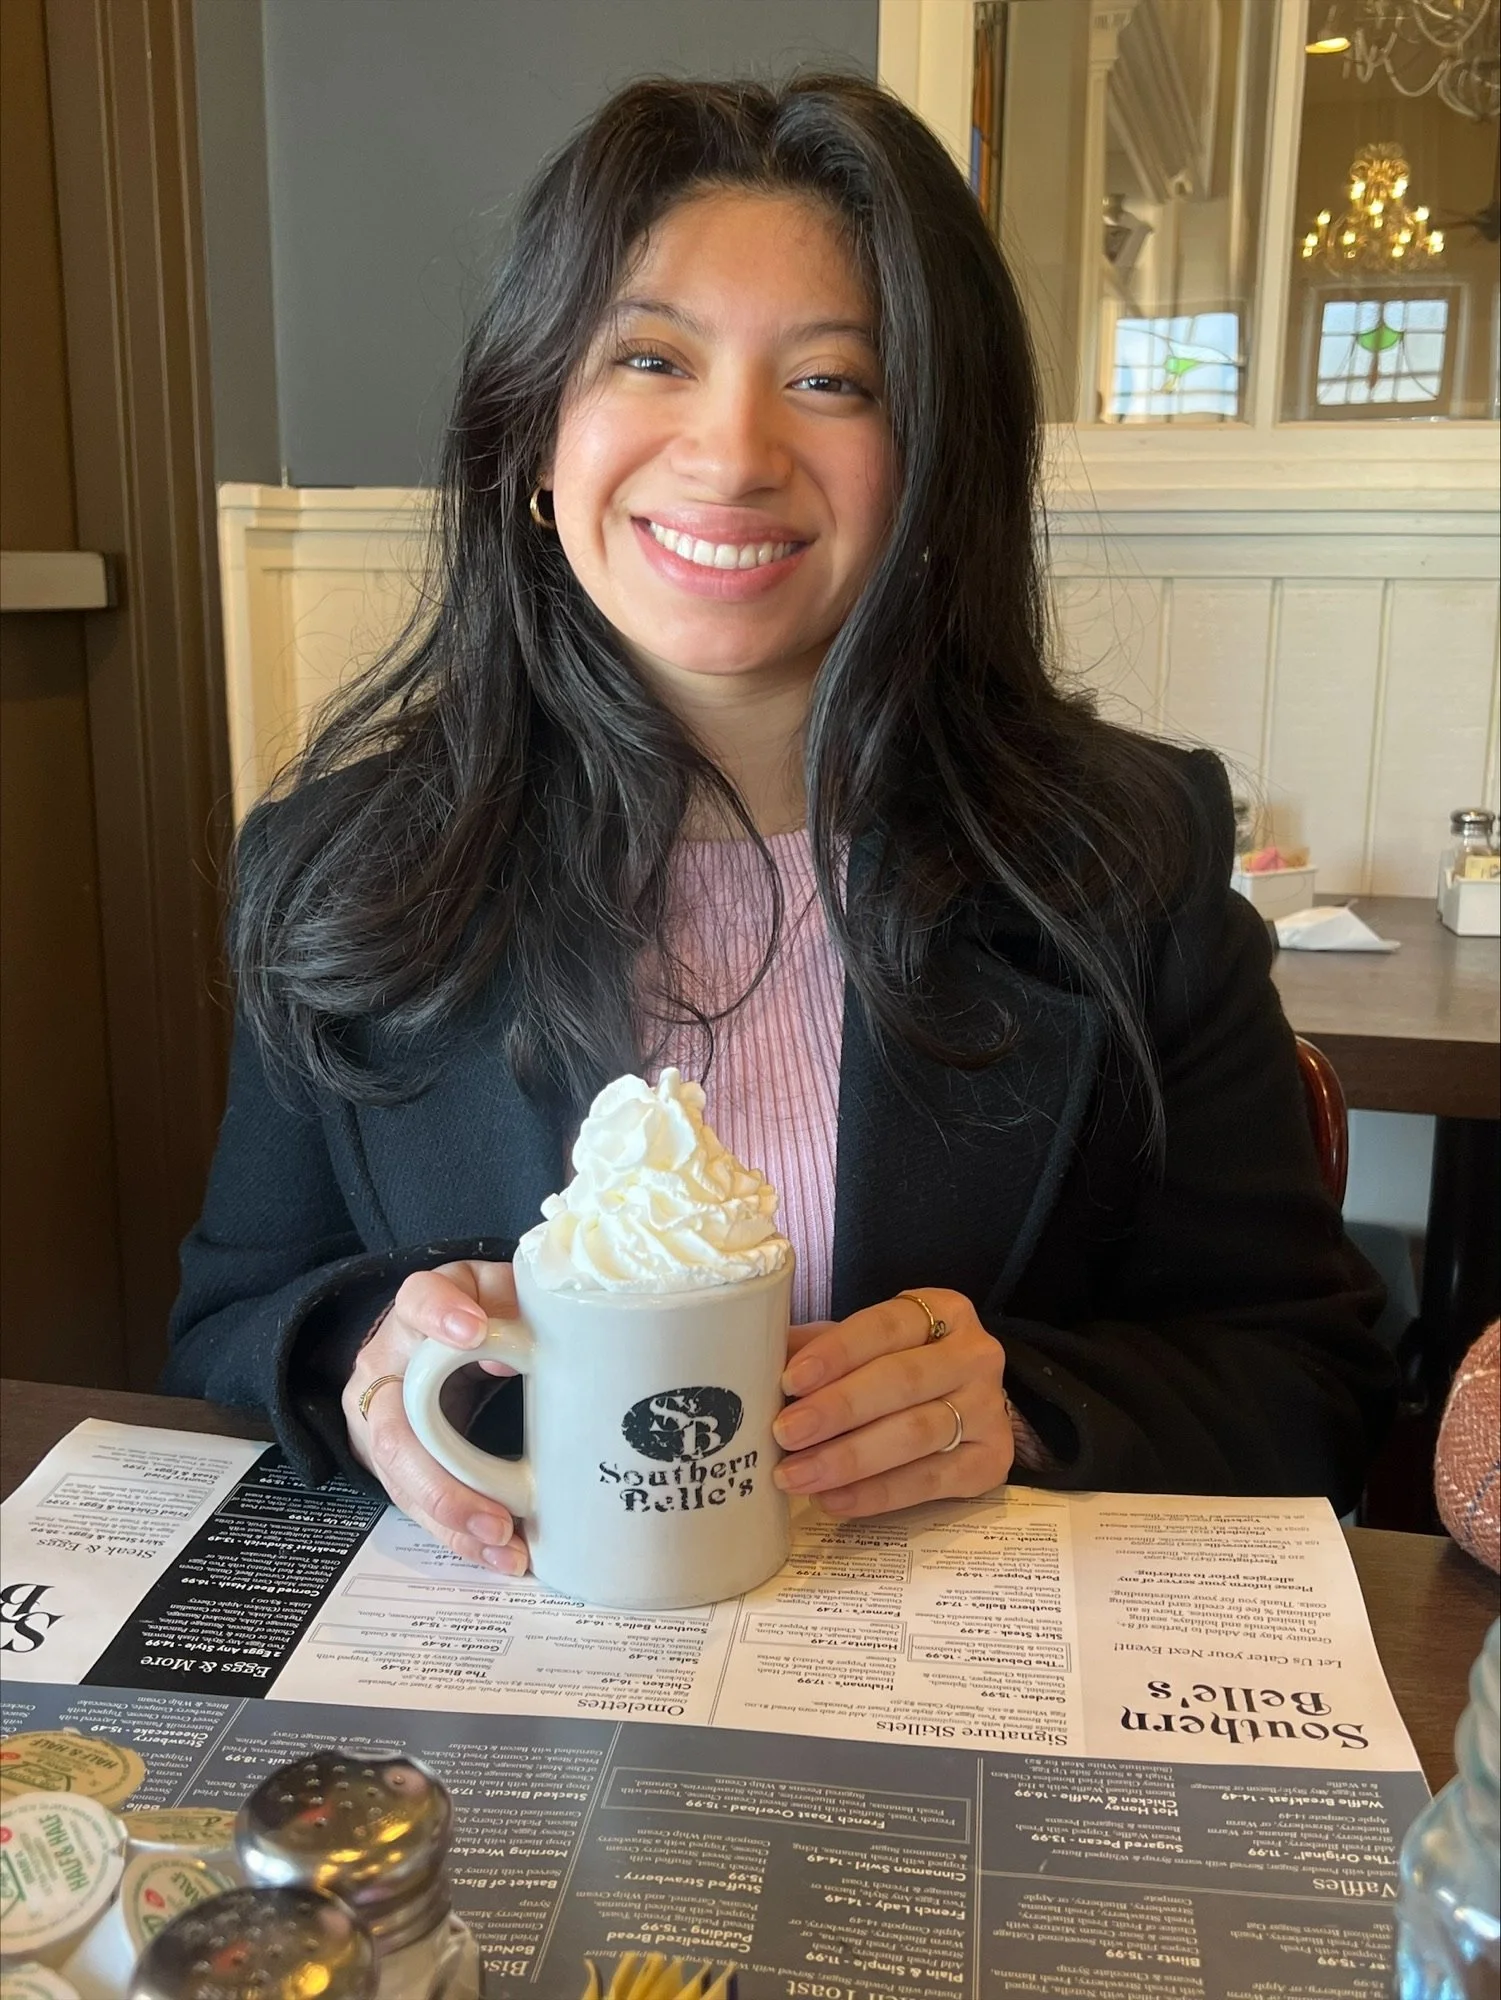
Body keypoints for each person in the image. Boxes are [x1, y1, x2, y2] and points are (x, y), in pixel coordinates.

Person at [165, 74, 1394, 1578]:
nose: (734, 452)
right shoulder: (340, 872)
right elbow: (231, 1321)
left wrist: (1024, 1406)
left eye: (833, 381)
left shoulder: (1126, 859)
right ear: (533, 436)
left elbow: (1310, 1383)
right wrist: (362, 1370)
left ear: (933, 467)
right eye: (650, 357)